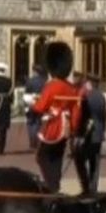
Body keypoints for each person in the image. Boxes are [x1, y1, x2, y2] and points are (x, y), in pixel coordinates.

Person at [29, 43, 82, 193]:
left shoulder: (52, 86)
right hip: (65, 129)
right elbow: (76, 112)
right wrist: (72, 129)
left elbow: (40, 107)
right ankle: (55, 185)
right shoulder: (72, 88)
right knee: (57, 158)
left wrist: (32, 104)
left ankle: (52, 188)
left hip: (52, 128)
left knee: (42, 157)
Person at [74, 74, 106, 194]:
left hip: (85, 134)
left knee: (79, 159)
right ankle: (93, 188)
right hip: (98, 134)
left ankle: (86, 187)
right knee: (95, 163)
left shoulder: (84, 95)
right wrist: (102, 130)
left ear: (88, 82)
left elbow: (81, 115)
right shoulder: (101, 96)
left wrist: (77, 132)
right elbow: (104, 116)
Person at [24, 64, 47, 151]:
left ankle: (32, 141)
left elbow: (26, 93)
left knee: (30, 123)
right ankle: (36, 140)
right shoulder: (44, 81)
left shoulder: (30, 81)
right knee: (38, 122)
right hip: (41, 103)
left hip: (31, 103)